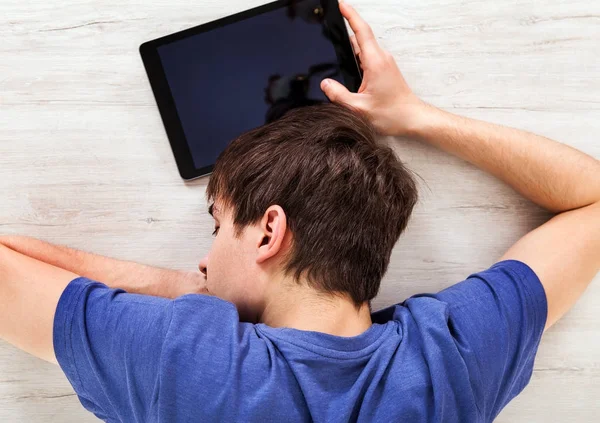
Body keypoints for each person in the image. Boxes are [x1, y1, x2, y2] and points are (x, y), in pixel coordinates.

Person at [0, 2, 598, 422]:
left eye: (217, 226)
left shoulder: (186, 361)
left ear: (269, 231)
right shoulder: (455, 360)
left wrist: (191, 292)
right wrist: (417, 118)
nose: (206, 256)